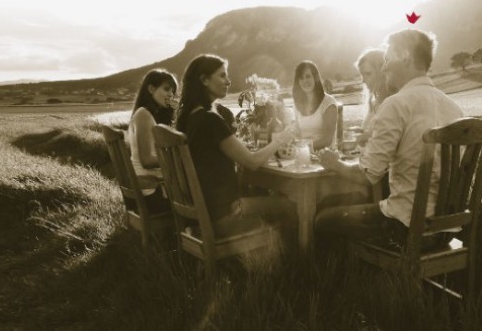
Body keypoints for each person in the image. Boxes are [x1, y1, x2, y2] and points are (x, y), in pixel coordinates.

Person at [315, 29, 464, 252]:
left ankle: (353, 278)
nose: (384, 67)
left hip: (405, 227)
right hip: (447, 231)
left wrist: (335, 164)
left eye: (387, 58)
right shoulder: (454, 108)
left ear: (404, 56)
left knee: (323, 219)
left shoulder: (397, 104)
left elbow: (369, 174)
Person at [175, 54, 297, 239]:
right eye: (222, 76)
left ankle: (200, 231)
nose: (228, 81)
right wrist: (279, 139)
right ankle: (291, 258)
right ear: (204, 80)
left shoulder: (189, 119)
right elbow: (252, 162)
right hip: (225, 216)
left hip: (204, 212)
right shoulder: (210, 120)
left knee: (257, 193)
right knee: (289, 205)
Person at [127, 68, 178, 213]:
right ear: (151, 89)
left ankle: (186, 232)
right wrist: (177, 157)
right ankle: (190, 232)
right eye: (166, 89)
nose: (171, 94)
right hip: (151, 194)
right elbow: (147, 160)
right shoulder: (143, 115)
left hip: (149, 190)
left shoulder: (146, 114)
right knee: (203, 199)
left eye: (173, 91)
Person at [292, 61, 338, 150]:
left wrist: (303, 147)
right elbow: (297, 134)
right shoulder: (297, 104)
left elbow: (327, 140)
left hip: (324, 155)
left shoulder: (328, 102)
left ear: (315, 77)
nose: (305, 81)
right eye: (301, 78)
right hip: (303, 154)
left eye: (308, 76)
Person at [354, 49, 392, 146]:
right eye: (361, 75)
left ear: (382, 73)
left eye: (368, 74)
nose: (363, 80)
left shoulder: (393, 102)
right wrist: (362, 132)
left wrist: (367, 136)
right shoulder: (374, 102)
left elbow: (390, 138)